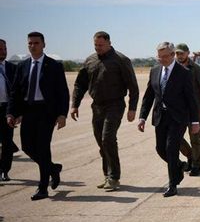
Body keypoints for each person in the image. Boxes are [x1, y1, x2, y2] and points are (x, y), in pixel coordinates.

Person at [71, 31, 139, 191]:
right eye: (95, 45)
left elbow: (133, 86)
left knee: (108, 138)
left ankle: (114, 177)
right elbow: (80, 84)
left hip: (115, 105)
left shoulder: (121, 60)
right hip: (97, 106)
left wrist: (132, 108)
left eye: (101, 45)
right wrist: (75, 104)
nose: (98, 48)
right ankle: (107, 175)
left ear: (109, 43)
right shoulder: (90, 60)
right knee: (101, 142)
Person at [6, 32, 70, 200]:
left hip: (46, 112)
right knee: (27, 146)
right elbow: (15, 92)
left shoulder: (54, 66)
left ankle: (42, 188)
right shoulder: (22, 66)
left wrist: (62, 114)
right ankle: (53, 169)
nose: (32, 46)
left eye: (36, 43)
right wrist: (11, 113)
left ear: (43, 44)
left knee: (43, 147)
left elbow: (63, 92)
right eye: (30, 43)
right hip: (28, 110)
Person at [137, 42, 200, 197]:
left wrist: (195, 121)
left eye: (165, 56)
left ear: (172, 55)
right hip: (160, 116)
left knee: (171, 149)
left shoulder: (184, 73)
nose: (162, 59)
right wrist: (142, 117)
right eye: (159, 57)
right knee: (160, 149)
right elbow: (149, 96)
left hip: (178, 118)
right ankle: (179, 166)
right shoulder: (155, 71)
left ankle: (173, 185)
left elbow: (191, 99)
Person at [174, 43, 200, 176]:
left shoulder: (196, 69)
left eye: (182, 53)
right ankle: (190, 156)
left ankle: (196, 165)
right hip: (179, 110)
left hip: (194, 110)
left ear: (187, 53)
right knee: (175, 137)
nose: (179, 56)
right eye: (177, 53)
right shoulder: (174, 68)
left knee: (194, 138)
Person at [0, 38, 19, 182]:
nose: (3, 52)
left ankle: (4, 171)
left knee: (7, 142)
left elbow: (18, 91)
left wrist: (17, 113)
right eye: (0, 49)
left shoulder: (13, 68)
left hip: (7, 110)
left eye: (5, 49)